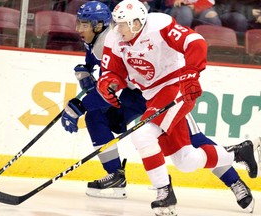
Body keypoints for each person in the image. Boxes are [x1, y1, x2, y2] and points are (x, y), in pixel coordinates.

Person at [96, 0, 258, 215]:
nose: (118, 29)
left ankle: (164, 193)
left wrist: (191, 73)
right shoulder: (115, 38)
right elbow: (111, 71)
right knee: (186, 161)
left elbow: (195, 42)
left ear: (137, 22)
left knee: (142, 135)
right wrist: (108, 83)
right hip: (151, 96)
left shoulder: (159, 25)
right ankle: (237, 152)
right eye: (116, 24)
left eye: (123, 24)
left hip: (177, 87)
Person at [61, 1, 147, 199]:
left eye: (83, 24)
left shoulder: (108, 42)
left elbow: (111, 91)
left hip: (146, 94)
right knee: (95, 118)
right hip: (133, 93)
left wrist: (79, 106)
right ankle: (115, 175)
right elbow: (95, 59)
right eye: (78, 23)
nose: (78, 29)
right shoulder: (96, 37)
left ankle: (230, 167)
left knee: (186, 147)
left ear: (98, 25)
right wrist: (87, 70)